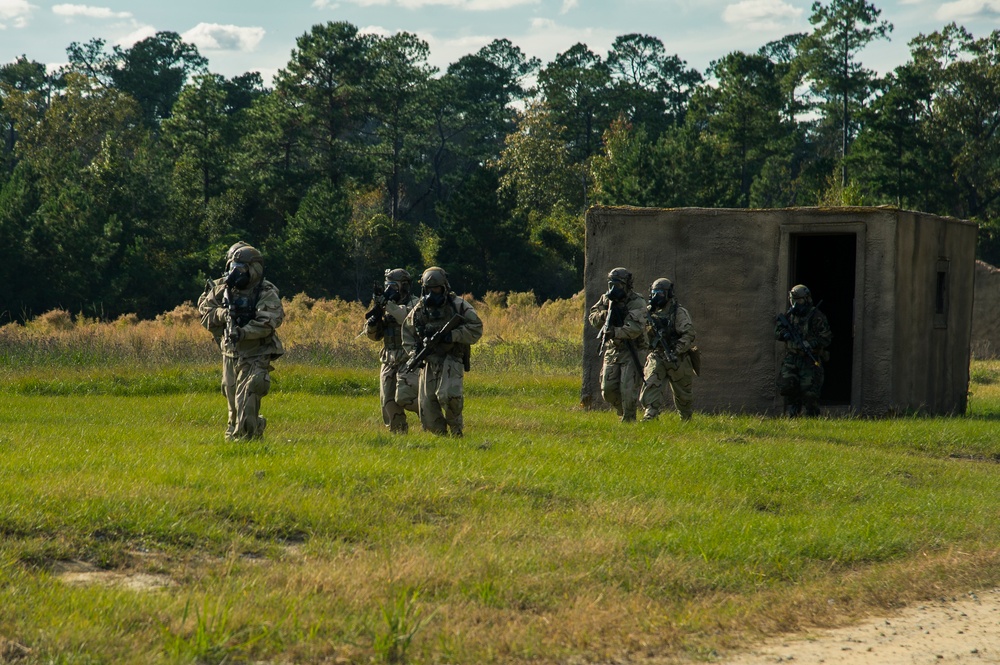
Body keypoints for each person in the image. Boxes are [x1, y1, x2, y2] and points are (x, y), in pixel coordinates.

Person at [198, 241, 284, 440]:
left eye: (241, 269)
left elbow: (268, 321)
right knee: (234, 406)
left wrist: (244, 332)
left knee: (247, 398)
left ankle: (248, 440)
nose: (236, 273)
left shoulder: (265, 292)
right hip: (230, 352)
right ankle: (243, 431)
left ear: (254, 270)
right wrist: (222, 314)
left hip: (256, 353)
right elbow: (206, 312)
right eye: (233, 268)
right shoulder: (222, 288)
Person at [402, 267, 483, 437]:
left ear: (444, 287)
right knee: (427, 406)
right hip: (429, 362)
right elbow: (407, 333)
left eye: (436, 289)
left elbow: (476, 328)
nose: (432, 293)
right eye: (429, 290)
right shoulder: (419, 310)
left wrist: (453, 335)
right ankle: (439, 439)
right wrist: (414, 353)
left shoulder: (459, 306)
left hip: (451, 358)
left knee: (449, 396)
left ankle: (456, 431)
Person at [588, 267, 648, 422]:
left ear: (627, 285)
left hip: (633, 350)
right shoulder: (606, 299)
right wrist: (605, 315)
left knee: (628, 390)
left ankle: (629, 420)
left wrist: (615, 332)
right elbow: (592, 316)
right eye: (611, 284)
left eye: (618, 284)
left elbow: (635, 328)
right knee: (607, 390)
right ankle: (623, 410)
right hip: (613, 350)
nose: (614, 288)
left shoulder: (637, 301)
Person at [364, 268, 420, 433]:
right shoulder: (384, 304)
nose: (390, 289)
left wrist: (387, 305)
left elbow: (406, 319)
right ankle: (398, 435)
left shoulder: (415, 303)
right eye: (388, 285)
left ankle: (431, 417)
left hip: (409, 357)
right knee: (388, 401)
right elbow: (374, 337)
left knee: (406, 397)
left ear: (404, 286)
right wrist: (373, 325)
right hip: (388, 358)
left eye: (394, 286)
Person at [639, 277, 697, 421]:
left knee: (683, 395)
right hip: (657, 355)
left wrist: (677, 349)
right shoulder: (647, 313)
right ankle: (651, 414)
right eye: (654, 292)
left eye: (660, 293)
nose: (656, 296)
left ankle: (686, 418)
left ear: (668, 294)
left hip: (678, 358)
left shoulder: (678, 312)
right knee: (651, 383)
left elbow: (689, 334)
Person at [774, 284, 832, 417]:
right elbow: (777, 331)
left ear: (806, 299)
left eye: (799, 300)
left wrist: (811, 343)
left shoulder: (816, 316)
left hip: (809, 359)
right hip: (792, 357)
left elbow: (826, 338)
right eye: (793, 301)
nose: (795, 304)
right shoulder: (789, 316)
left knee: (809, 393)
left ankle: (811, 417)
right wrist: (784, 334)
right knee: (786, 385)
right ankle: (794, 409)